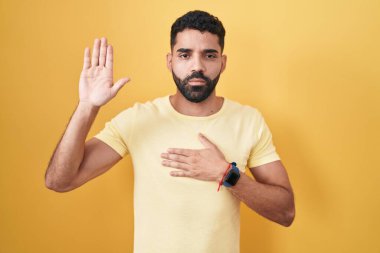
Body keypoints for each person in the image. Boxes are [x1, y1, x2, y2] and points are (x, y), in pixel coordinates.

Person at [45, 10, 295, 253]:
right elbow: (60, 181)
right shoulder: (139, 119)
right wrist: (87, 107)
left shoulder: (248, 121)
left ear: (223, 62)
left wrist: (226, 174)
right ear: (170, 61)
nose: (197, 66)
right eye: (185, 55)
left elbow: (285, 212)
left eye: (209, 55)